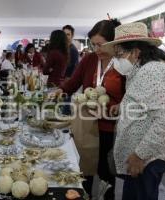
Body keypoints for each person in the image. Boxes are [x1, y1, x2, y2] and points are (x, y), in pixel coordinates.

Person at [101, 22, 165, 200]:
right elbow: (147, 101)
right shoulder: (147, 67)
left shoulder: (149, 72)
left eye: (119, 54)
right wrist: (123, 106)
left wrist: (140, 155)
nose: (116, 61)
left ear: (135, 51)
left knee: (139, 195)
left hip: (151, 154)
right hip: (158, 148)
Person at [56, 19, 124, 200]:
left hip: (111, 128)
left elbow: (130, 96)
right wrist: (61, 90)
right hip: (87, 125)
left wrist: (116, 109)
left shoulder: (124, 63)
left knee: (106, 173)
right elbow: (74, 82)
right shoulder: (90, 59)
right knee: (84, 170)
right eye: (93, 45)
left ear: (113, 42)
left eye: (101, 45)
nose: (97, 50)